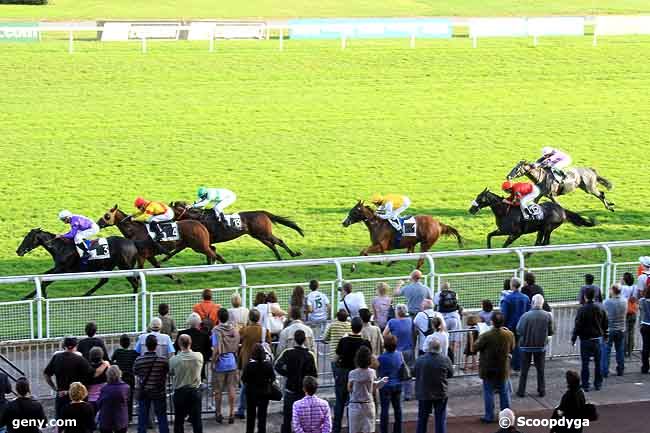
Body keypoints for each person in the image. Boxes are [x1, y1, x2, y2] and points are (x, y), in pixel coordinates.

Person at [474, 312, 515, 424]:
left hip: (488, 368)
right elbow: (512, 347)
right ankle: (505, 417)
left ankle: (489, 416)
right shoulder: (509, 334)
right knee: (504, 393)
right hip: (502, 368)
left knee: (488, 393)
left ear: (492, 322)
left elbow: (475, 347)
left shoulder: (486, 335)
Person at [333, 317, 372, 433]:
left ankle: (336, 429)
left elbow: (338, 354)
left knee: (340, 402)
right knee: (354, 403)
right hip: (358, 375)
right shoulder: (365, 343)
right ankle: (352, 428)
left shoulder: (344, 341)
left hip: (343, 373)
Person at [275, 330, 318, 433]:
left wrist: (287, 374)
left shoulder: (288, 352)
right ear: (305, 340)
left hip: (290, 389)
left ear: (294, 339)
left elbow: (277, 365)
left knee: (287, 417)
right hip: (305, 391)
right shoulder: (310, 355)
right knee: (305, 419)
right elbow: (314, 374)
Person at [44, 336, 93, 420]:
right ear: (75, 346)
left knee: (61, 422)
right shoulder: (80, 359)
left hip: (61, 396)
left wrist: (54, 388)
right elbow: (91, 374)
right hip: (77, 398)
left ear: (64, 346)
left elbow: (46, 374)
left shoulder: (56, 357)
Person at [236, 309, 272, 420]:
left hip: (247, 361)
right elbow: (269, 343)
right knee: (260, 385)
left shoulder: (245, 330)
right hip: (261, 361)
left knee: (245, 385)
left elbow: (238, 337)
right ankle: (259, 408)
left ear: (249, 318)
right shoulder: (264, 330)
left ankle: (242, 409)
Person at [516, 294, 553, 398]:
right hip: (541, 347)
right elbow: (551, 331)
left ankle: (521, 391)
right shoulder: (547, 316)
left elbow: (519, 330)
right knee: (540, 370)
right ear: (542, 303)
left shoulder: (525, 316)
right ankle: (542, 390)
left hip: (526, 346)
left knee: (524, 370)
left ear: (532, 303)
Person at [571, 286, 608, 391]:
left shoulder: (582, 310)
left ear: (585, 296)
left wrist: (574, 338)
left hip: (586, 340)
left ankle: (586, 384)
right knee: (598, 362)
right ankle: (598, 383)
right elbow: (605, 323)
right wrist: (605, 335)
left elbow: (578, 325)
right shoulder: (600, 308)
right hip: (597, 339)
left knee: (585, 363)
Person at [414, 338, 453, 433]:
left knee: (422, 419)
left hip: (424, 392)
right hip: (440, 392)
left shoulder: (420, 360)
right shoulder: (445, 359)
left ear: (428, 348)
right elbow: (451, 374)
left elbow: (414, 373)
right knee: (440, 419)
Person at [133, 334, 170, 433]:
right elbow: (168, 371)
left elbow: (135, 372)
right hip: (159, 391)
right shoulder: (163, 360)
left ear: (145, 345)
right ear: (156, 345)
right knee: (162, 416)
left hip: (144, 391)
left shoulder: (139, 360)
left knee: (142, 417)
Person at [347, 346, 387, 433]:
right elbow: (373, 387)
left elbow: (349, 388)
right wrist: (382, 381)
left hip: (355, 405)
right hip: (368, 404)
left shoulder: (352, 373)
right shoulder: (372, 372)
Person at [211, 308, 240, 424]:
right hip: (232, 362)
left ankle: (218, 413)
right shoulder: (233, 329)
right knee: (231, 389)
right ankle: (232, 413)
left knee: (217, 391)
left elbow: (216, 349)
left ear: (218, 317)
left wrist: (213, 362)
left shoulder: (216, 330)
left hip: (220, 364)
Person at [170, 334, 203, 433]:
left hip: (180, 392)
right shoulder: (198, 356)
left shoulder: (174, 359)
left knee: (179, 421)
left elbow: (171, 372)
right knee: (197, 420)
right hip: (194, 391)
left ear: (179, 344)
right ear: (190, 343)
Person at [241, 344, 275, 433]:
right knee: (262, 417)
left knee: (250, 416)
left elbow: (244, 379)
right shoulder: (268, 365)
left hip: (251, 393)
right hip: (264, 393)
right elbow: (273, 378)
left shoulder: (249, 365)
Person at [383, 304, 414, 400]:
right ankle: (408, 395)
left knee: (396, 372)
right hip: (409, 350)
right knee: (408, 372)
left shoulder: (392, 322)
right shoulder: (410, 320)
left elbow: (384, 334)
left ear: (397, 312)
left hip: (397, 352)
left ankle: (397, 394)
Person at [501, 277, 530, 371]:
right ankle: (518, 365)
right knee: (520, 345)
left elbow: (504, 314)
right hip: (522, 326)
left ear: (511, 285)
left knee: (508, 347)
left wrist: (502, 326)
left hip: (510, 326)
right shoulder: (526, 298)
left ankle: (509, 366)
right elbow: (528, 312)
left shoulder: (507, 298)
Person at [378, 335, 403, 433]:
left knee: (384, 410)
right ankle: (398, 430)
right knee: (398, 409)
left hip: (385, 385)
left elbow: (379, 371)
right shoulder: (399, 355)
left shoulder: (381, 358)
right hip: (397, 384)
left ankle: (384, 431)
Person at [110, 334, 139, 422]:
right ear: (129, 343)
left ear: (120, 343)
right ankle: (129, 418)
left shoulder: (117, 352)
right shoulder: (133, 353)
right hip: (130, 378)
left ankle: (120, 416)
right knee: (129, 399)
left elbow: (112, 360)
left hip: (121, 378)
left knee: (120, 399)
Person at [174, 313, 211, 381]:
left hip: (184, 367)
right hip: (199, 368)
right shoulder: (204, 336)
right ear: (199, 323)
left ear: (189, 322)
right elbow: (209, 352)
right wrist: (203, 360)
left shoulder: (181, 334)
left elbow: (175, 349)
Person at [602, 284, 627, 377]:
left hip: (610, 329)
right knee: (620, 350)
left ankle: (604, 371)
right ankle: (620, 370)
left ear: (613, 291)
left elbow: (604, 314)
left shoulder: (607, 302)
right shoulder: (624, 301)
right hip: (621, 329)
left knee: (606, 351)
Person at [97, 366, 130, 433]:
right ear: (120, 374)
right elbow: (127, 400)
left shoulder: (104, 388)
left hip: (106, 419)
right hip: (121, 419)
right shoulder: (126, 387)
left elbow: (99, 403)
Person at [435, 282, 462, 363]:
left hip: (444, 318)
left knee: (444, 338)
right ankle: (452, 359)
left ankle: (444, 358)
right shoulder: (454, 293)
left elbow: (436, 303)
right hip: (455, 318)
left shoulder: (438, 294)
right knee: (454, 340)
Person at [323, 309, 352, 383]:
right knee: (347, 379)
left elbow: (325, 337)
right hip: (347, 356)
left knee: (338, 380)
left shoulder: (333, 325)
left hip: (335, 356)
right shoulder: (350, 325)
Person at [620, 272, 639, 358]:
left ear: (625, 280)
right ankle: (630, 351)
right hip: (633, 311)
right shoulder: (634, 287)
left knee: (624, 332)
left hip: (625, 312)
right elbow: (634, 298)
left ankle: (623, 351)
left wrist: (620, 283)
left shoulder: (622, 287)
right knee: (631, 332)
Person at [639, 287, 650, 374]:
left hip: (645, 325)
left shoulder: (642, 301)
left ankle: (645, 367)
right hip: (646, 325)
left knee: (645, 347)